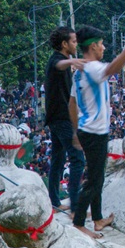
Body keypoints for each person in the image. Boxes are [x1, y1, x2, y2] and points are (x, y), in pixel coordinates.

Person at [68, 26, 125, 237]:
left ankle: (98, 218)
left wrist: (76, 130)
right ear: (93, 46)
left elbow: (72, 103)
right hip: (95, 132)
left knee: (97, 175)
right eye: (101, 44)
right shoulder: (92, 68)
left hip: (87, 130)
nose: (103, 48)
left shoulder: (79, 72)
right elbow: (112, 69)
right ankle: (79, 223)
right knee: (94, 180)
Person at [44, 26, 86, 212]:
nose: (76, 44)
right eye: (74, 41)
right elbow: (59, 66)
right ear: (64, 44)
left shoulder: (64, 61)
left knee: (59, 158)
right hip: (61, 118)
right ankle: (75, 203)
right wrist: (74, 62)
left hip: (57, 118)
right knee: (77, 158)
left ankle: (54, 200)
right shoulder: (57, 60)